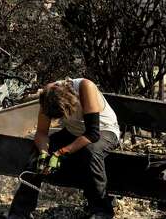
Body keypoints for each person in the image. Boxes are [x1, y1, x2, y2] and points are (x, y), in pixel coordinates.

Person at [8, 78, 120, 219]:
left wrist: (60, 152)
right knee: (36, 155)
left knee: (91, 152)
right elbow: (42, 133)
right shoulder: (48, 96)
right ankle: (20, 212)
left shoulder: (85, 87)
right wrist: (44, 153)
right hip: (73, 131)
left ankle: (102, 211)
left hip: (104, 130)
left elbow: (93, 134)